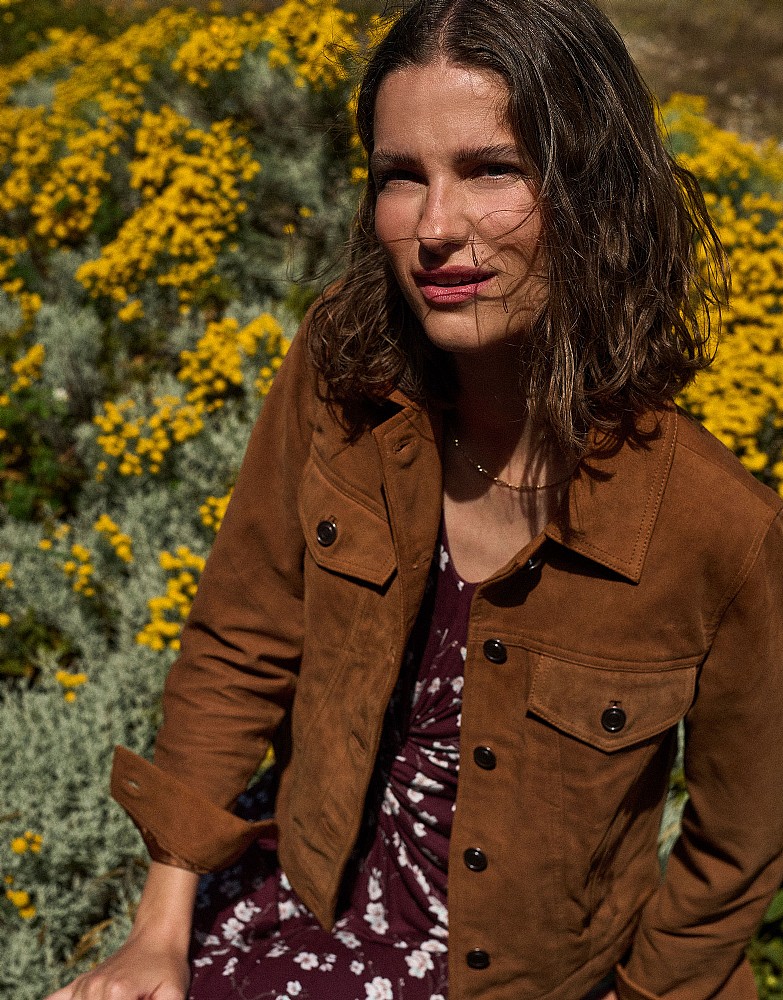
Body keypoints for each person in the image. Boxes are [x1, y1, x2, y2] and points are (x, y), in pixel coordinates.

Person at [47, 0, 783, 998]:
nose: (437, 228)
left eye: (491, 169)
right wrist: (158, 934)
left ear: (594, 188)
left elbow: (740, 841)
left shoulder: (720, 527)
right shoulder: (338, 380)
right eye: (402, 177)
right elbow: (241, 634)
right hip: (302, 892)